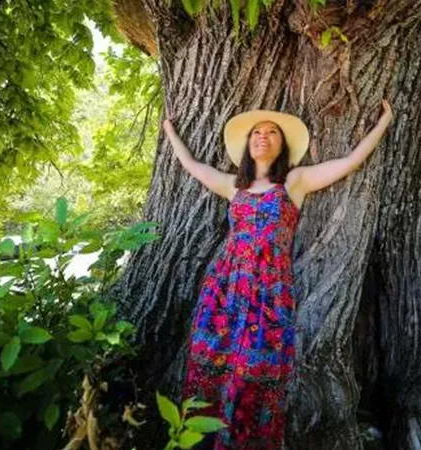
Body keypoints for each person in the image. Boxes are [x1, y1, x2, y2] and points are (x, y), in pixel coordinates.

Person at [162, 99, 393, 449]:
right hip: (226, 287)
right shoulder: (232, 186)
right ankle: (200, 437)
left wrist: (383, 123)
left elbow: (350, 161)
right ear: (248, 144)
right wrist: (168, 130)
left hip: (269, 290)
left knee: (256, 371)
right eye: (257, 132)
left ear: (282, 145)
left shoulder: (294, 182)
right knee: (212, 362)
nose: (263, 136)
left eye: (272, 132)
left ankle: (244, 441)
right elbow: (190, 164)